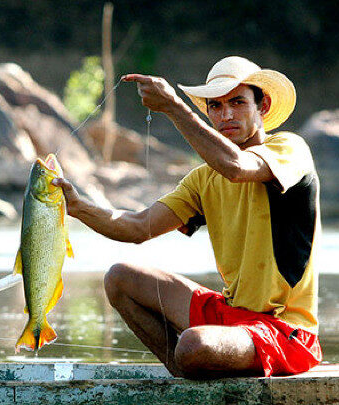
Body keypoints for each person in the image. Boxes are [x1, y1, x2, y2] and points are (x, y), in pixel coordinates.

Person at [53, 56, 322, 378]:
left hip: (286, 333)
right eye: (216, 107)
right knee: (120, 277)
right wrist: (78, 207)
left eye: (237, 103)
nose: (226, 115)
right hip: (232, 317)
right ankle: (183, 375)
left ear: (262, 107)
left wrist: (174, 108)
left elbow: (237, 168)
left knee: (194, 345)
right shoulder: (203, 178)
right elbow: (139, 227)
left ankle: (192, 361)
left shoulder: (289, 148)